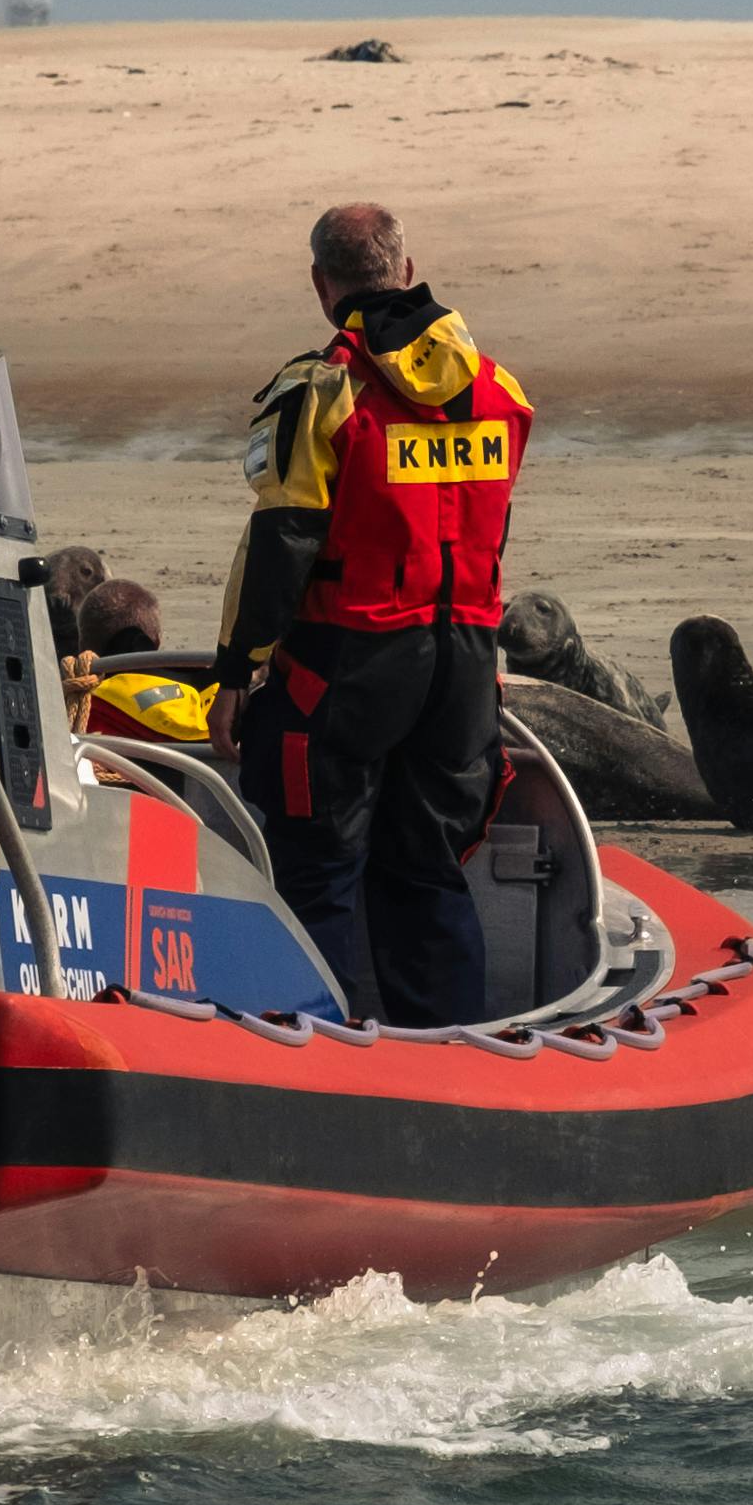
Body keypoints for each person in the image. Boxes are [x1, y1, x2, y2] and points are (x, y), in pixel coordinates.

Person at [219, 201, 528, 1026]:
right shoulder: (498, 389)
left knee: (316, 870)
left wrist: (235, 670)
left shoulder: (324, 390)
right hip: (463, 665)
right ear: (406, 265)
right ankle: (454, 1053)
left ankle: (312, 1051)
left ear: (323, 285)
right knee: (428, 868)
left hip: (347, 662)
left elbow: (282, 542)